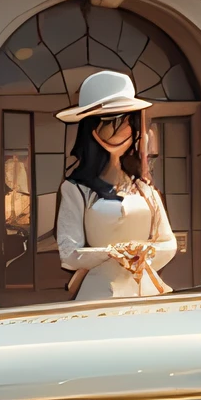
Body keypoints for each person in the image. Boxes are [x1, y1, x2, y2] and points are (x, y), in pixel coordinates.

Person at [54, 70, 177, 300]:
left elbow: (168, 243)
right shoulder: (76, 190)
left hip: (145, 292)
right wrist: (112, 253)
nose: (124, 129)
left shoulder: (145, 190)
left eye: (128, 121)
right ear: (93, 129)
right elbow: (69, 253)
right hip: (99, 293)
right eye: (113, 122)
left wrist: (144, 252)